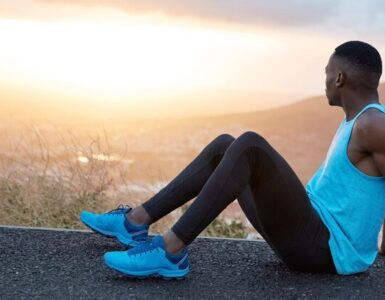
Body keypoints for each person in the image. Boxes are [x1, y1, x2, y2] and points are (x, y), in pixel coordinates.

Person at [80, 40, 385, 279]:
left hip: (325, 250)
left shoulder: (372, 125)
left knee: (251, 146)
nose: (325, 80)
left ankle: (170, 250)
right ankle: (135, 221)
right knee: (227, 145)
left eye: (327, 73)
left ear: (340, 78)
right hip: (309, 237)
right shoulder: (358, 120)